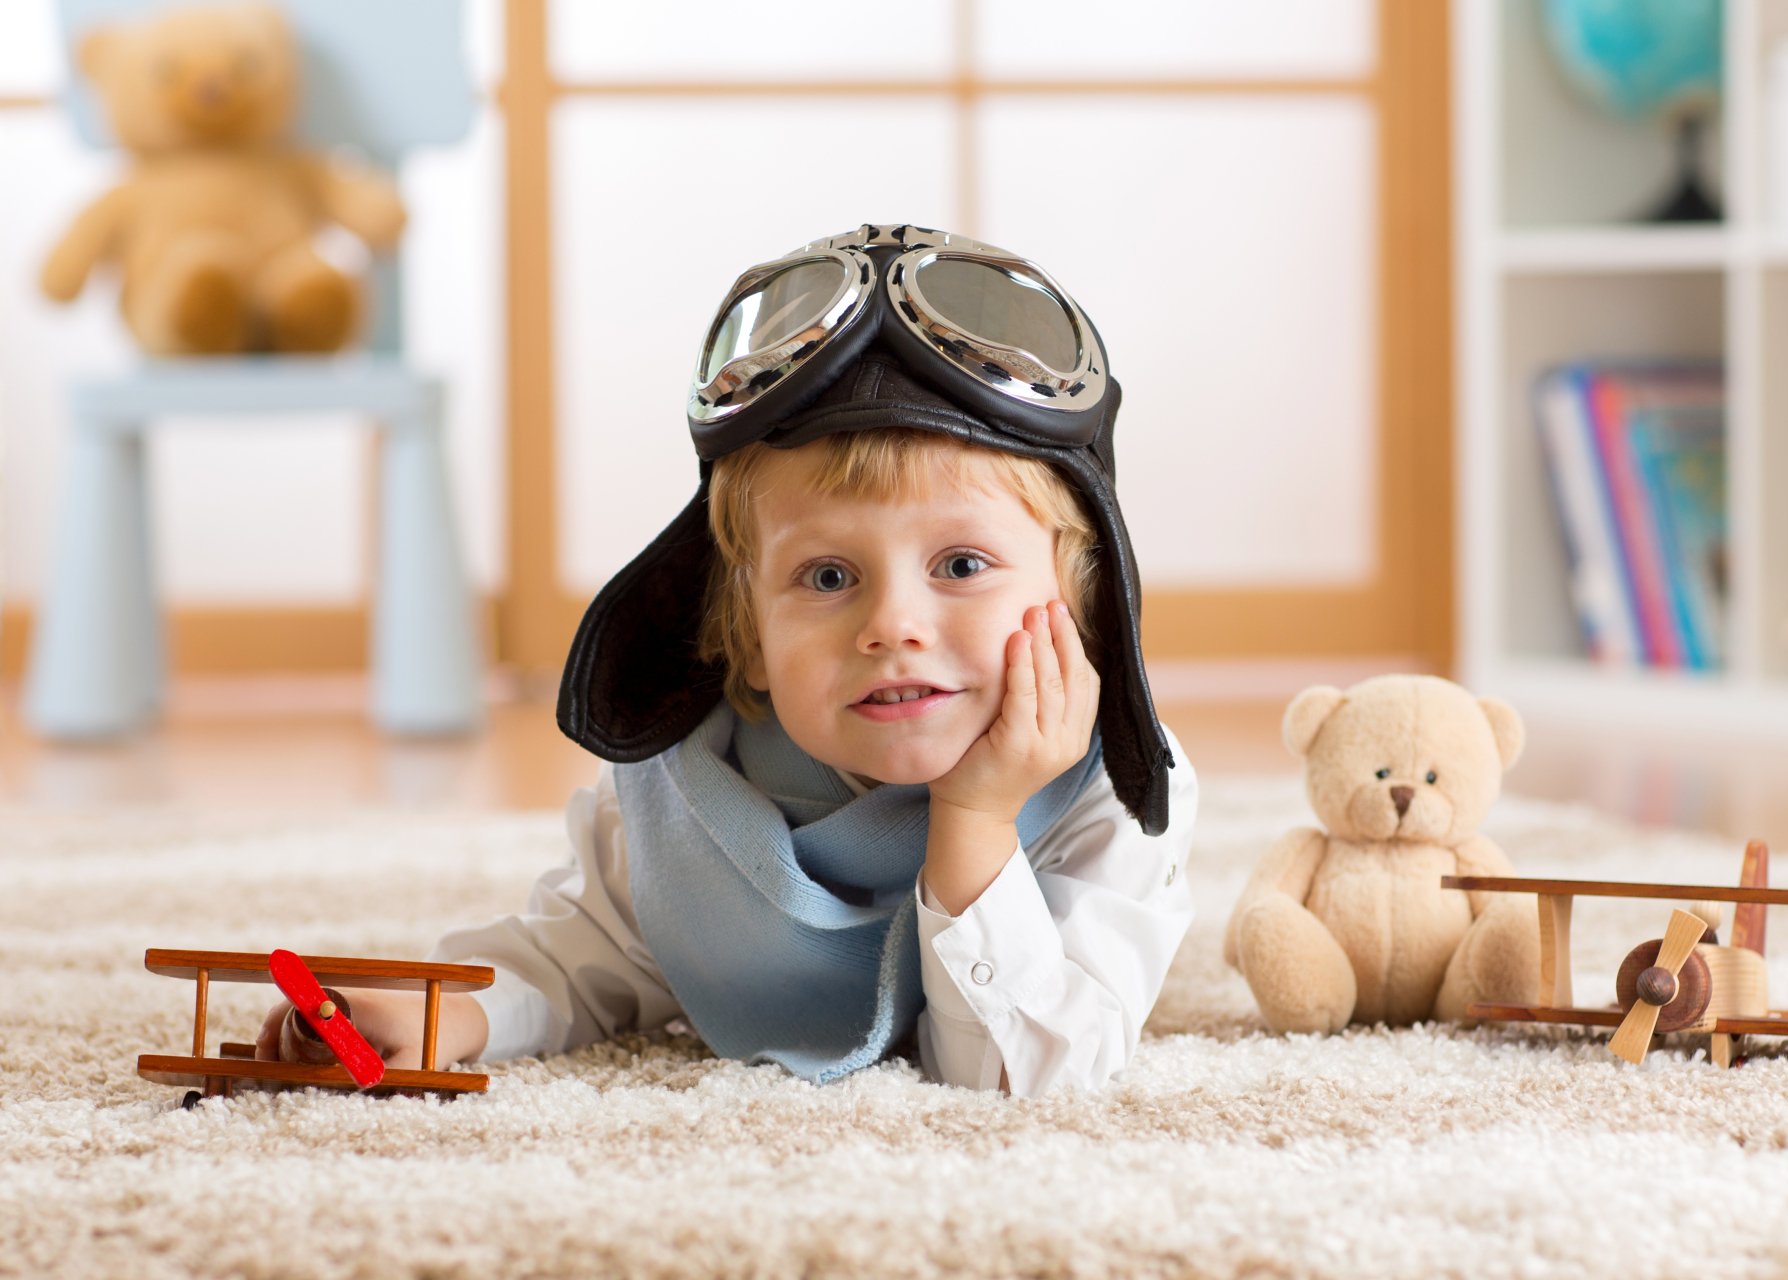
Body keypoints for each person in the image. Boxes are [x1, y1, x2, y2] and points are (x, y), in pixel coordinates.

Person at [255, 224, 1198, 1095]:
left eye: (961, 565)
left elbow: (1027, 1077)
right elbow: (585, 955)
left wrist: (981, 821)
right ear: (746, 634)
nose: (893, 626)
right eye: (828, 576)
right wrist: (448, 1017)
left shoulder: (1110, 794)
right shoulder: (688, 785)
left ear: (1077, 605)